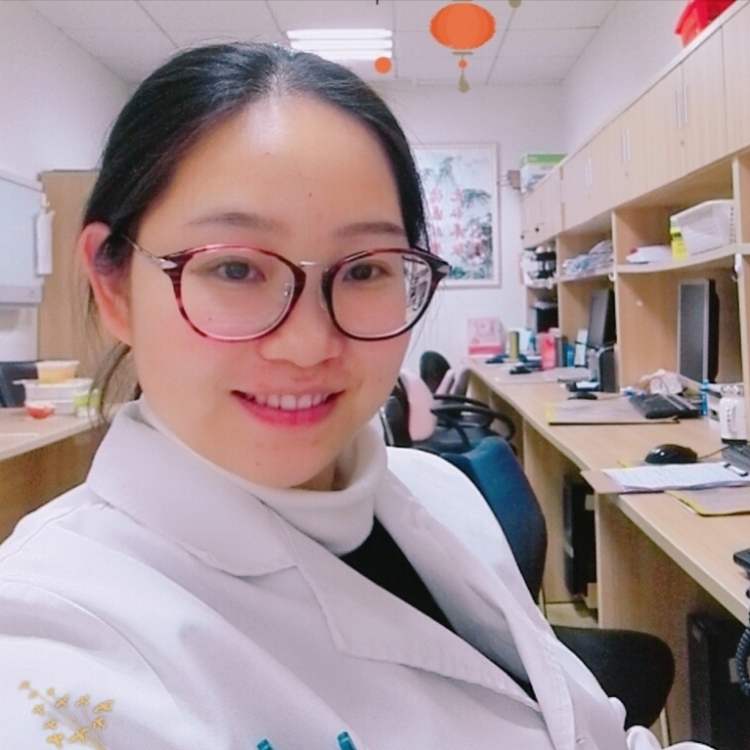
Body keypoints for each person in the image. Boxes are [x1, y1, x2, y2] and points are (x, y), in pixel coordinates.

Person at [0, 43, 710, 750]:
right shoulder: (57, 635)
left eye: (365, 269)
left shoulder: (439, 491)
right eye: (236, 268)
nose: (309, 344)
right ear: (114, 286)